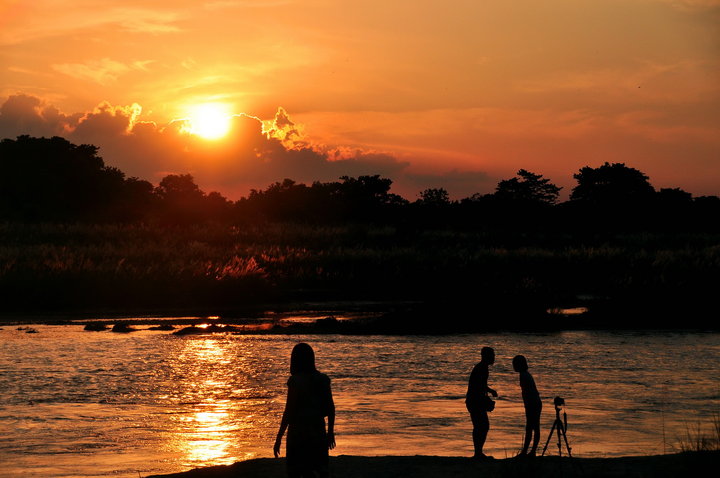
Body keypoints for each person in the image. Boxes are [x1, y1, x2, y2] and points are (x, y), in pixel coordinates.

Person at [274, 343, 336, 478]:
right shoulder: (323, 380)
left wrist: (279, 437)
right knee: (320, 470)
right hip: (318, 430)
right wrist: (330, 432)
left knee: (296, 472)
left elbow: (289, 411)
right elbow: (330, 408)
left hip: (298, 433)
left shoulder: (295, 381)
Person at [465, 346, 498, 459]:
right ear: (486, 356)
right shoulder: (482, 368)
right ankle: (478, 453)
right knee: (482, 426)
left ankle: (478, 452)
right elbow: (479, 386)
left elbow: (480, 385)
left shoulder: (482, 367)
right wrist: (490, 392)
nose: (494, 358)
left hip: (474, 400)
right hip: (475, 401)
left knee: (480, 426)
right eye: (492, 356)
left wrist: (489, 392)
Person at [512, 354, 542, 457]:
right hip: (533, 403)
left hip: (533, 403)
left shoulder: (524, 375)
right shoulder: (524, 374)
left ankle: (530, 451)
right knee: (532, 427)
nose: (513, 366)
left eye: (515, 364)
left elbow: (528, 392)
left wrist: (528, 406)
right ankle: (528, 451)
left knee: (532, 427)